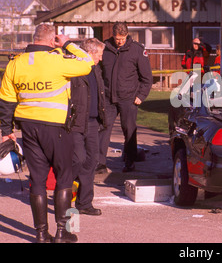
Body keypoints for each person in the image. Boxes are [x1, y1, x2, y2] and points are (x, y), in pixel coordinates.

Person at [0, 24, 94, 243]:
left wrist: (6, 131)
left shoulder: (15, 64)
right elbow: (88, 62)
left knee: (38, 180)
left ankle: (41, 234)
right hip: (56, 126)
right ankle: (62, 232)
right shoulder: (58, 60)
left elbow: (6, 100)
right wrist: (68, 44)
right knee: (64, 177)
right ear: (53, 41)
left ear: (33, 39)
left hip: (28, 127)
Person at [98, 22, 153, 173]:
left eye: (122, 38)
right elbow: (98, 72)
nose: (120, 41)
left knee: (129, 130)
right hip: (108, 98)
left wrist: (141, 96)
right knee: (103, 129)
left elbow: (147, 77)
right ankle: (99, 163)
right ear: (113, 36)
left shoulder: (136, 50)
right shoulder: (105, 48)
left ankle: (129, 161)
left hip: (129, 98)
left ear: (127, 35)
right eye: (117, 39)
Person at [71, 38, 107, 216]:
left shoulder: (96, 69)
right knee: (77, 159)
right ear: (90, 53)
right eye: (99, 55)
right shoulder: (74, 68)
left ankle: (84, 203)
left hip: (93, 122)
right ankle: (65, 197)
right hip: (76, 122)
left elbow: (100, 93)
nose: (100, 58)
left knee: (92, 160)